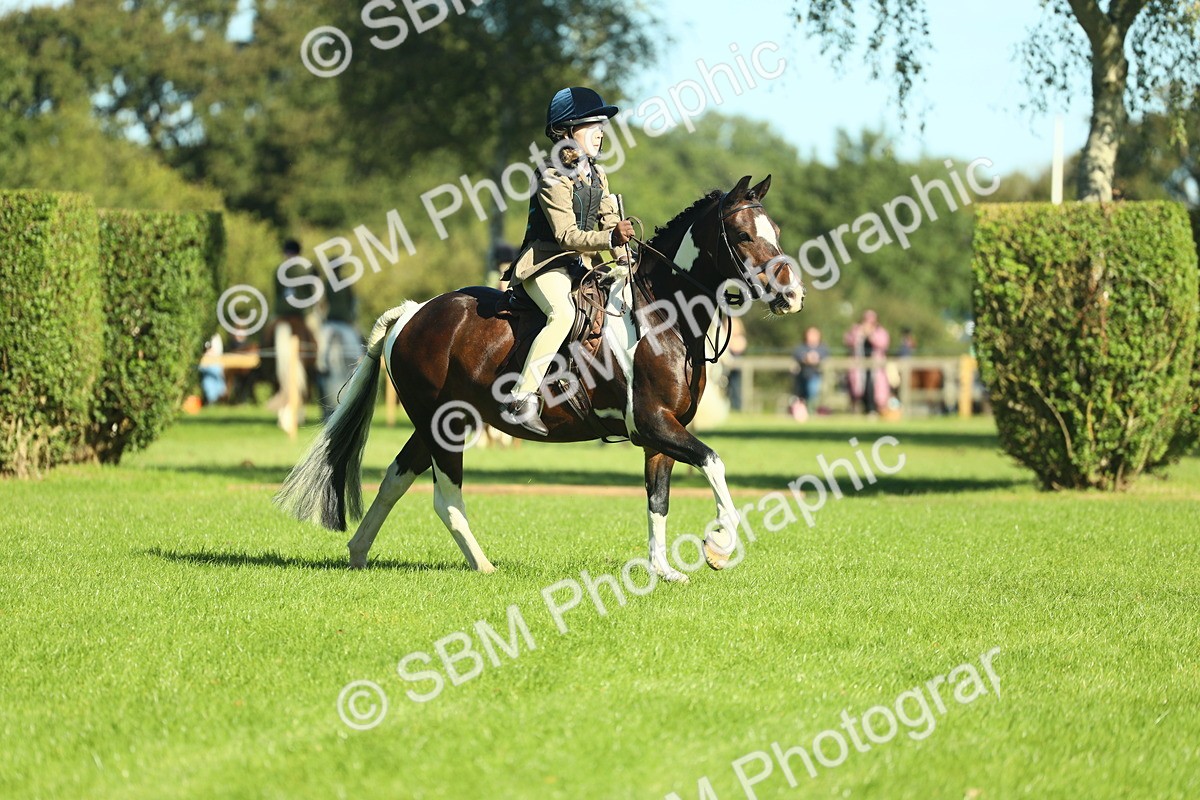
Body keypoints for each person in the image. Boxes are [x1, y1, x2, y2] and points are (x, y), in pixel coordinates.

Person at [500, 87, 635, 435]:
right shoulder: (551, 175)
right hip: (545, 264)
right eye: (593, 125)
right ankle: (521, 396)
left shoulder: (597, 174)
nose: (602, 131)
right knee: (564, 314)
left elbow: (607, 223)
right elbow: (566, 236)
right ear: (567, 130)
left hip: (578, 265)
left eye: (602, 125)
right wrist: (610, 238)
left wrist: (628, 261)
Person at [317, 262, 364, 421]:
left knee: (322, 358)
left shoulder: (325, 284)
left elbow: (321, 305)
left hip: (330, 324)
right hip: (345, 324)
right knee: (357, 353)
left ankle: (321, 365)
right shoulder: (346, 283)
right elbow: (353, 305)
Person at [845, 309, 890, 415]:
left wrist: (870, 335)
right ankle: (859, 410)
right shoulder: (856, 330)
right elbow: (848, 340)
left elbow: (883, 344)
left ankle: (873, 409)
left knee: (876, 388)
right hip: (859, 367)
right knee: (858, 388)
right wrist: (858, 333)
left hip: (876, 367)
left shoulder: (880, 332)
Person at [789, 326, 828, 422]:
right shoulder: (801, 347)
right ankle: (804, 412)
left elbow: (824, 357)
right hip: (802, 376)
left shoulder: (822, 347)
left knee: (812, 391)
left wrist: (814, 358)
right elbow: (797, 355)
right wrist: (806, 358)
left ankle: (811, 411)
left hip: (816, 375)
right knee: (802, 395)